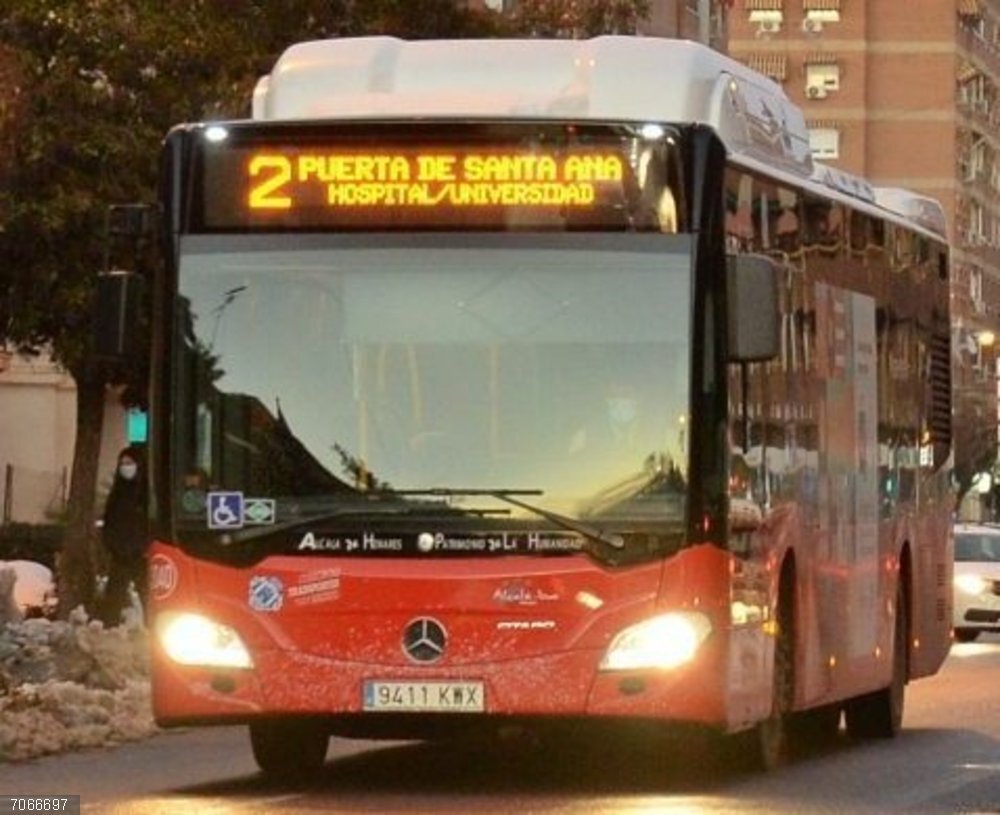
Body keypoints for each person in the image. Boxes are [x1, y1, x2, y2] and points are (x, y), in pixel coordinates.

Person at [99, 445, 149, 626]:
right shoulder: (118, 493)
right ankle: (109, 629)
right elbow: (109, 522)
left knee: (148, 596)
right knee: (114, 596)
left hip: (142, 555)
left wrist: (144, 547)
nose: (126, 467)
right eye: (122, 463)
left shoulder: (147, 494)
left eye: (130, 463)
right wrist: (112, 545)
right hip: (120, 555)